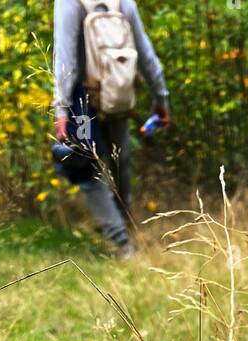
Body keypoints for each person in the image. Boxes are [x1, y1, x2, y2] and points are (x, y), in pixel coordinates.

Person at [53, 0, 170, 257]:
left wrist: (61, 108)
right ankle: (127, 229)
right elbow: (145, 52)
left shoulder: (68, 3)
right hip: (118, 91)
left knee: (83, 164)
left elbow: (65, 58)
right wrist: (160, 97)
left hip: (81, 99)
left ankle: (121, 243)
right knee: (120, 162)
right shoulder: (122, 2)